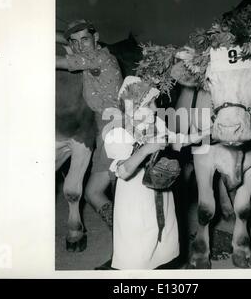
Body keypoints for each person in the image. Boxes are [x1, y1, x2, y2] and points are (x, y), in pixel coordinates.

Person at [104, 76, 180, 269]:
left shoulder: (157, 125)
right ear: (133, 108)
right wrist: (147, 149)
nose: (155, 108)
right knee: (137, 249)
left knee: (161, 245)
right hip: (134, 198)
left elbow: (179, 140)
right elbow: (123, 171)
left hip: (160, 192)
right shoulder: (118, 133)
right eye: (150, 103)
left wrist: (210, 130)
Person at [56, 19, 123, 231]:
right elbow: (64, 42)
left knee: (116, 188)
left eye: (84, 39)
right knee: (94, 192)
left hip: (114, 128)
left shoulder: (99, 57)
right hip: (102, 127)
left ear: (96, 38)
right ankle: (123, 232)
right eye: (74, 42)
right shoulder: (88, 55)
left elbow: (58, 62)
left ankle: (127, 236)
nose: (79, 46)